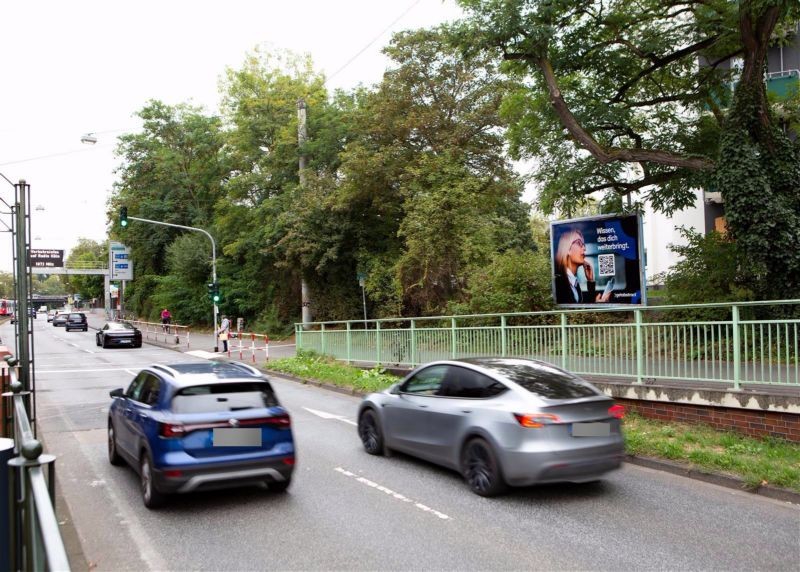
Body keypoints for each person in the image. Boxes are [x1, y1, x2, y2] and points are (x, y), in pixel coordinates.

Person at [554, 228, 612, 304]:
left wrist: (590, 280)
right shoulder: (559, 282)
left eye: (583, 245)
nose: (584, 248)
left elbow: (580, 310)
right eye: (579, 243)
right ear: (567, 249)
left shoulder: (573, 282)